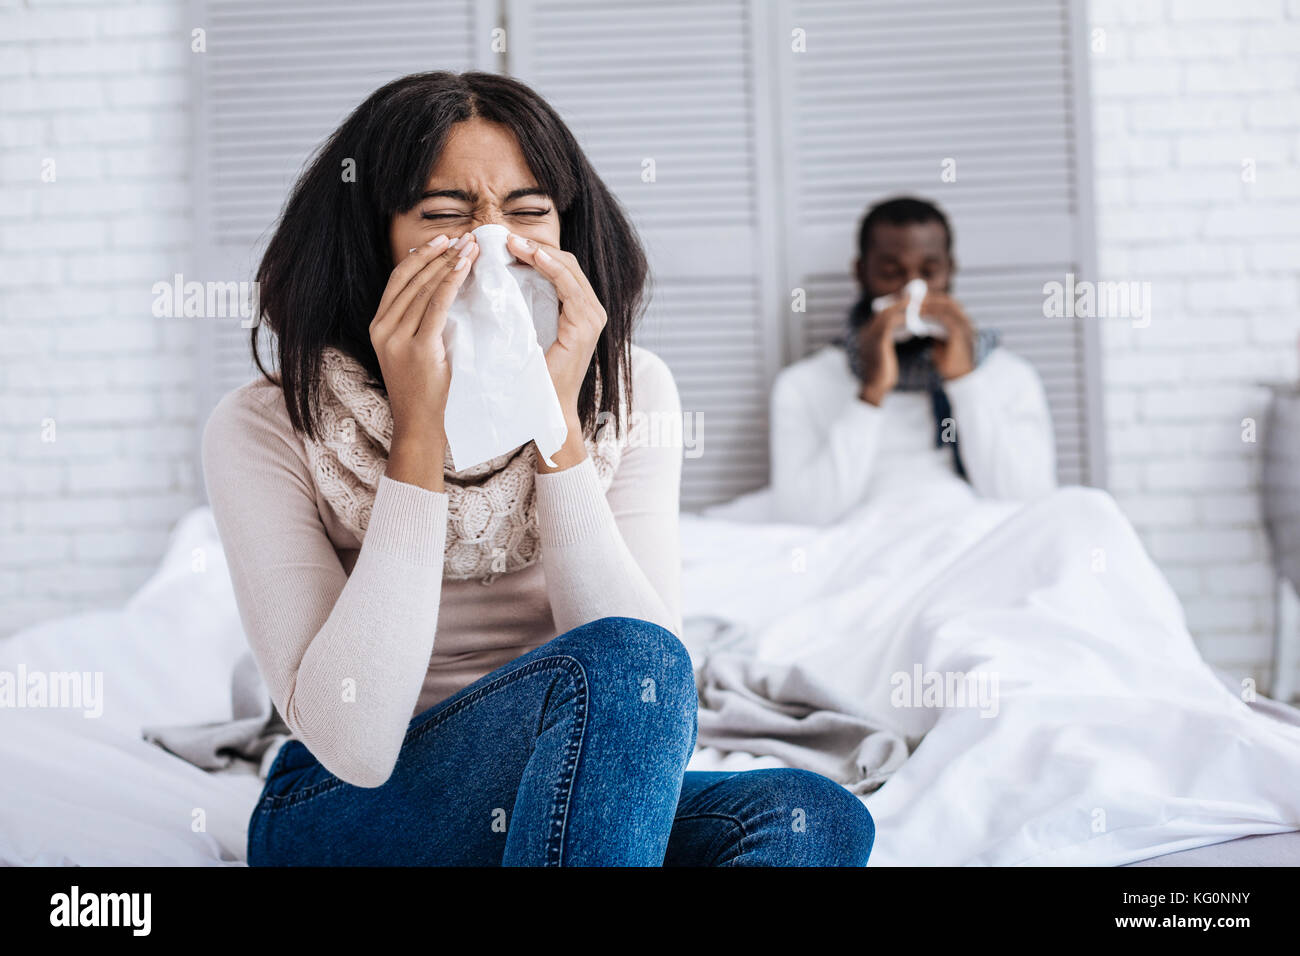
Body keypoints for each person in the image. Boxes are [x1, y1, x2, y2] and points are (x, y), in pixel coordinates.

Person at [203, 70, 874, 866]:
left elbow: (657, 699)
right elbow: (356, 744)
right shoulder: (266, 423)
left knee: (814, 815)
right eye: (446, 215)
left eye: (526, 213)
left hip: (567, 795)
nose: (493, 245)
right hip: (347, 808)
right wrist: (418, 428)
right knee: (627, 664)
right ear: (368, 239)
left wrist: (555, 426)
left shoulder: (635, 388)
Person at [770, 197, 1058, 526]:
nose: (912, 294)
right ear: (861, 273)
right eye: (892, 273)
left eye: (929, 272)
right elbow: (801, 517)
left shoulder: (1009, 377)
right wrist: (871, 393)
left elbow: (1027, 506)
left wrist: (964, 381)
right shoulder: (805, 384)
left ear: (950, 270)